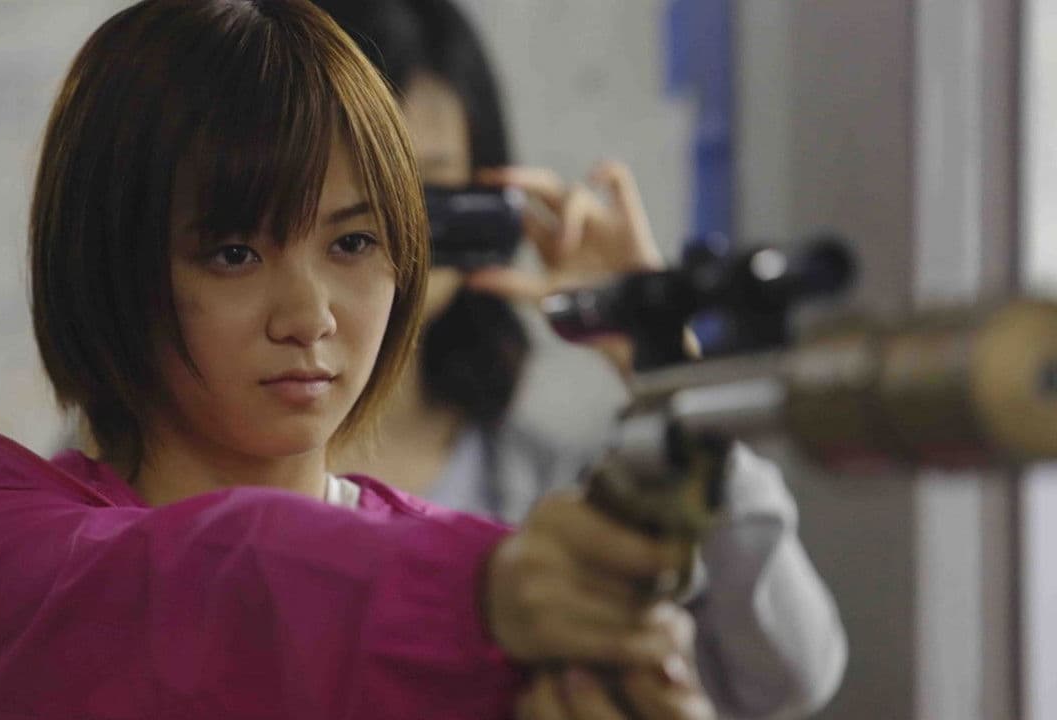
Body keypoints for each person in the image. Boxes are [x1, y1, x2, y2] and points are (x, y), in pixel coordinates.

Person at [0, 1, 714, 718]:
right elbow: (211, 593)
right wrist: (480, 604)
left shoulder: (479, 571)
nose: (310, 317)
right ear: (109, 270)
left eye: (353, 243)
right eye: (234, 254)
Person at [314, 1, 848, 717]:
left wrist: (659, 360)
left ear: (489, 202)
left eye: (429, 195)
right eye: (352, 200)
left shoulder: (562, 495)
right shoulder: (200, 478)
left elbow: (786, 676)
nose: (393, 237)